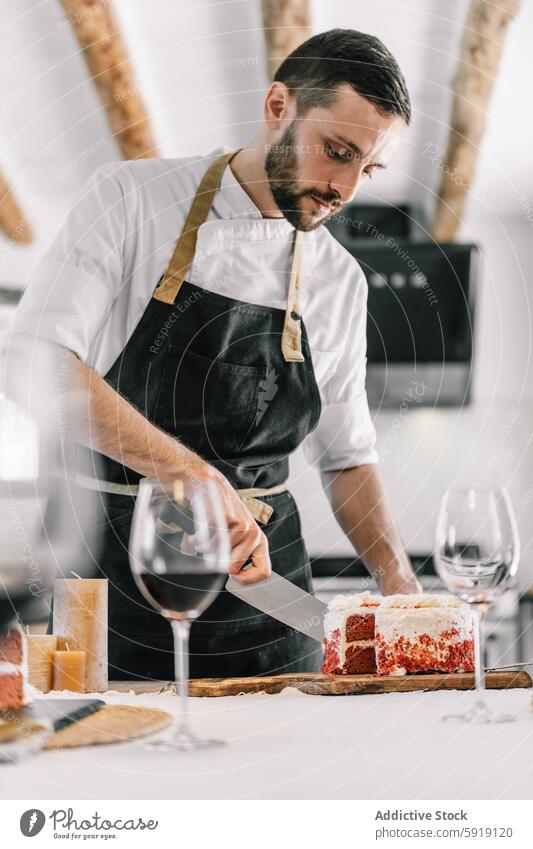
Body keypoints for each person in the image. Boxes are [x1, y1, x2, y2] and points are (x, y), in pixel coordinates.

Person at [14, 28, 422, 681]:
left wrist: (398, 581)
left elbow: (347, 454)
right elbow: (33, 359)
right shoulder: (131, 200)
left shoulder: (337, 278)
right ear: (277, 105)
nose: (345, 187)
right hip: (121, 574)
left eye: (365, 168)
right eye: (336, 151)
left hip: (268, 589)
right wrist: (193, 478)